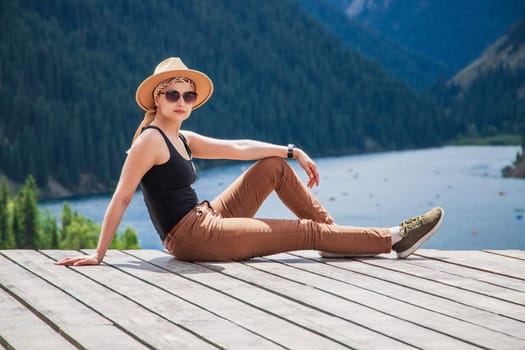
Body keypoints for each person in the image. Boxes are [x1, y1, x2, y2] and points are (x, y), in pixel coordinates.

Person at [56, 57, 444, 266]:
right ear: (157, 97)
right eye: (172, 94)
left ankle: (336, 238)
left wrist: (291, 151)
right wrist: (98, 254)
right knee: (305, 231)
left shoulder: (181, 137)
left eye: (188, 96)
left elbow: (239, 147)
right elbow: (121, 197)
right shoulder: (150, 141)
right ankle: (393, 239)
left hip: (206, 218)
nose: (181, 102)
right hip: (192, 237)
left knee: (273, 167)